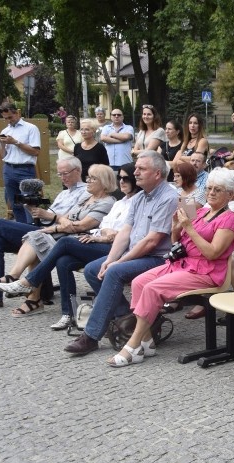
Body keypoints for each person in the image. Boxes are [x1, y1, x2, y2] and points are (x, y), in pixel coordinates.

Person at [107, 168, 234, 366]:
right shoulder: (202, 211)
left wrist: (188, 227)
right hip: (182, 263)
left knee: (153, 289)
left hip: (207, 271)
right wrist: (176, 227)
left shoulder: (230, 219)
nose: (211, 193)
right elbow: (176, 241)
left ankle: (132, 346)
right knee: (139, 282)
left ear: (230, 194)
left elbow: (213, 253)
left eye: (218, 190)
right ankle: (147, 340)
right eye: (210, 188)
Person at [0, 165, 140, 330]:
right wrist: (104, 233)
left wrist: (105, 235)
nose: (122, 181)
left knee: (60, 242)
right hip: (94, 240)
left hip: (114, 247)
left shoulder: (121, 202)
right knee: (63, 261)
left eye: (126, 178)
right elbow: (102, 225)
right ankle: (68, 314)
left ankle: (28, 281)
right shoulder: (119, 203)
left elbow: (87, 227)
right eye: (120, 178)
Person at [63, 151, 180, 356]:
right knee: (93, 269)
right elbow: (125, 233)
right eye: (136, 168)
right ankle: (133, 318)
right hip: (138, 254)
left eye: (141, 168)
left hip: (158, 259)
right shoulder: (138, 198)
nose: (135, 172)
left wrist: (118, 262)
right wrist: (110, 259)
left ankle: (90, 336)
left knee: (114, 272)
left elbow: (152, 241)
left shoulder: (168, 198)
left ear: (158, 173)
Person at [0, 157, 88, 310]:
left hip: (57, 235)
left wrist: (49, 216)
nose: (62, 177)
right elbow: (46, 220)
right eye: (59, 174)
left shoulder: (86, 192)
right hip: (43, 231)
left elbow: (71, 221)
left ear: (78, 171)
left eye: (65, 173)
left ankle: (16, 283)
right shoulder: (63, 194)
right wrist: (33, 210)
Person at [0, 101, 41, 223]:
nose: (9, 120)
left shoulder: (31, 128)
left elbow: (35, 152)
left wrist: (16, 142)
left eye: (10, 117)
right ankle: (20, 229)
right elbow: (2, 156)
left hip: (25, 169)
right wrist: (3, 145)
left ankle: (31, 229)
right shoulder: (5, 130)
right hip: (9, 169)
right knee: (14, 204)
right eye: (5, 118)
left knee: (29, 204)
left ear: (17, 113)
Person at [100, 109, 133, 173]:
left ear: (123, 117)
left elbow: (126, 137)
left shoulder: (129, 128)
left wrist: (111, 134)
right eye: (114, 115)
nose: (116, 116)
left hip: (125, 163)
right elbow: (103, 138)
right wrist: (121, 140)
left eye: (119, 115)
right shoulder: (106, 128)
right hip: (109, 163)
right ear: (111, 117)